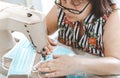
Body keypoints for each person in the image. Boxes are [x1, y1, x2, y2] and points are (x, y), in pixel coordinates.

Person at [37, 0, 120, 78]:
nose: (66, 9)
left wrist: (77, 64)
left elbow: (117, 64)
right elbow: (43, 29)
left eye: (76, 3)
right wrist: (41, 37)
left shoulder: (112, 16)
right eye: (64, 0)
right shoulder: (63, 5)